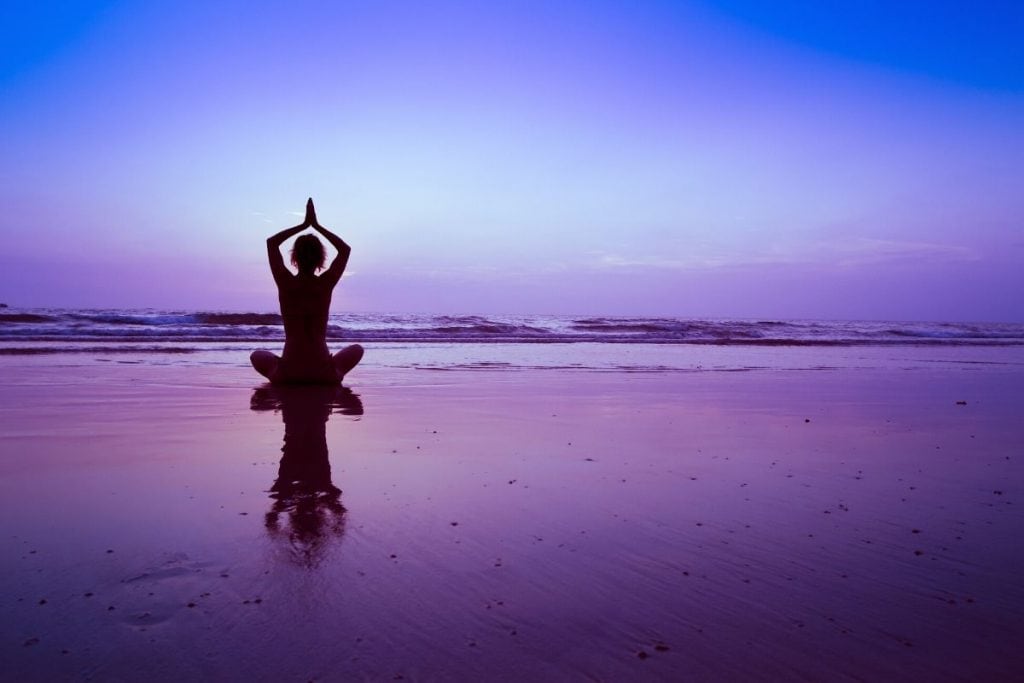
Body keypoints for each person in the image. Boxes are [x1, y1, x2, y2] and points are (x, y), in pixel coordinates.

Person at [250, 198, 364, 384]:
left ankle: (278, 372)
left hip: (288, 374)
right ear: (321, 259)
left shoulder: (285, 283)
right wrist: (316, 226)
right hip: (323, 374)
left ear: (294, 257)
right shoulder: (325, 284)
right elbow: (345, 249)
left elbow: (272, 243)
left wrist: (303, 225)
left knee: (257, 355)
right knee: (357, 349)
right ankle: (333, 371)